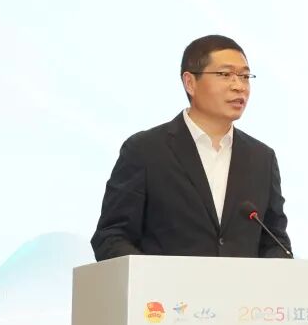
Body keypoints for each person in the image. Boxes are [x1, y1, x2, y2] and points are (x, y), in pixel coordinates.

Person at [91, 35, 292, 261]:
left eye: (245, 76)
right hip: (165, 284)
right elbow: (112, 237)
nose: (239, 86)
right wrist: (151, 277)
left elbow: (275, 242)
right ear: (190, 83)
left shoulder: (262, 158)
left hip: (242, 286)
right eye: (225, 74)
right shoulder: (145, 150)